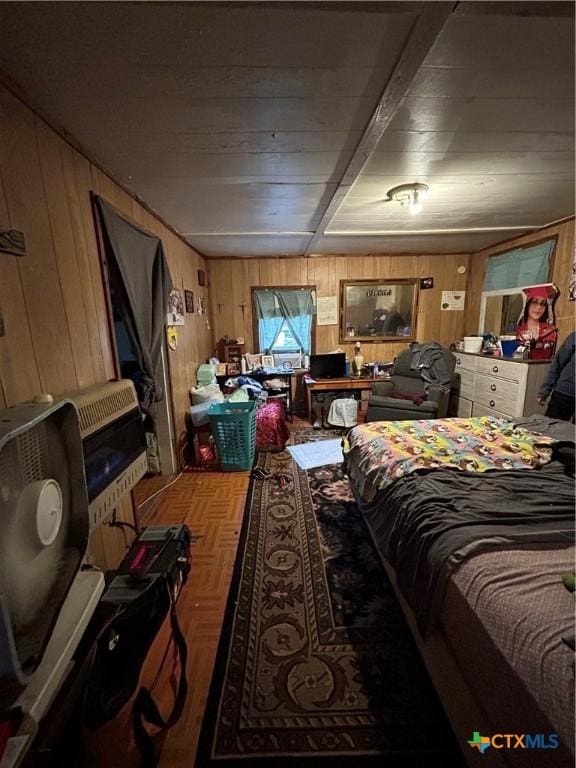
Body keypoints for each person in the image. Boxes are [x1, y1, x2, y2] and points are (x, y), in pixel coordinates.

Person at [538, 331, 575, 421]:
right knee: (548, 429)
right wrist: (545, 390)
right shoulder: (574, 338)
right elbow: (557, 364)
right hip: (564, 393)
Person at [515, 285, 558, 359]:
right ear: (527, 304)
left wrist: (537, 342)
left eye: (543, 303)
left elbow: (547, 356)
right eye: (534, 302)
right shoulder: (518, 330)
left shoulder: (550, 331)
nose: (538, 307)